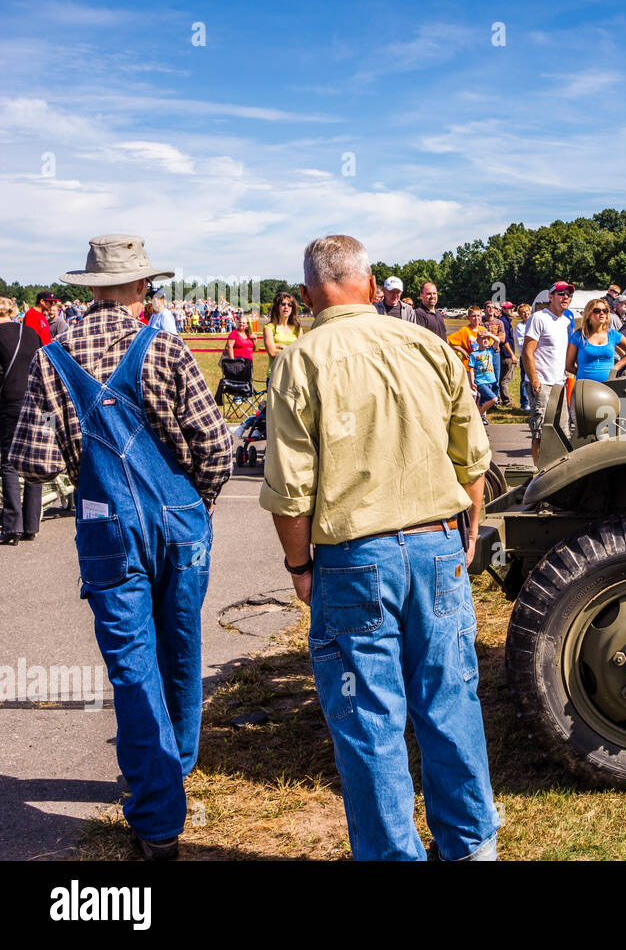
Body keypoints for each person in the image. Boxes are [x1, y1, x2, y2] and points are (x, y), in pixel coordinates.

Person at [261, 234, 497, 861]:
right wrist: (468, 531)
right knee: (451, 703)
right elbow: (473, 455)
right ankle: (473, 847)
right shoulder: (428, 345)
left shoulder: (300, 360)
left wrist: (299, 566)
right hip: (437, 543)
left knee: (369, 721)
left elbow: (290, 490)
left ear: (309, 297)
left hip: (354, 555)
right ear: (370, 286)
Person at [9, 234, 232, 859]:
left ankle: (158, 818)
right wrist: (199, 503)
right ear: (140, 289)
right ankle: (171, 772)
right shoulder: (165, 346)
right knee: (182, 649)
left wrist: (87, 460)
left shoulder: (52, 358)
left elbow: (33, 460)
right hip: (180, 522)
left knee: (133, 666)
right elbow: (214, 443)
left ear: (90, 288)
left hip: (107, 526)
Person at [0, 297, 43, 545]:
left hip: (10, 401)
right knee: (32, 462)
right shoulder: (29, 332)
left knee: (9, 462)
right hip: (35, 400)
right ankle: (31, 524)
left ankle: (12, 524)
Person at [522, 283, 576, 463]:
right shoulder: (539, 317)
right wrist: (535, 383)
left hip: (559, 384)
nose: (566, 297)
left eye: (569, 294)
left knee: (562, 432)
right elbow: (527, 352)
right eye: (561, 293)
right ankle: (538, 474)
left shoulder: (566, 322)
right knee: (540, 433)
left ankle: (557, 473)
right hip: (542, 383)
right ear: (551, 297)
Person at [567, 298, 626, 382]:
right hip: (585, 386)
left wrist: (616, 368)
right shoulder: (579, 336)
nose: (602, 313)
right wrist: (582, 374)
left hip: (609, 385)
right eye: (597, 310)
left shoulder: (613, 334)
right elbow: (568, 365)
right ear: (588, 314)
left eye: (605, 310)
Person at [263, 290, 303, 362]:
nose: (286, 307)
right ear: (277, 307)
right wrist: (291, 349)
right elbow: (272, 352)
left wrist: (279, 346)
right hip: (275, 371)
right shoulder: (269, 328)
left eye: (289, 305)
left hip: (293, 371)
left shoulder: (298, 329)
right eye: (283, 304)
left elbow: (301, 352)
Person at [469, 331, 498, 421]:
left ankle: (481, 420)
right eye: (483, 339)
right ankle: (478, 416)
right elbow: (471, 369)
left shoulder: (490, 351)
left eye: (487, 339)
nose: (485, 340)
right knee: (493, 399)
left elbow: (497, 340)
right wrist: (472, 382)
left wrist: (488, 334)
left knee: (482, 402)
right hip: (480, 382)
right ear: (477, 340)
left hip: (491, 381)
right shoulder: (474, 354)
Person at [513, 304, 532, 411]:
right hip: (524, 356)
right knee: (525, 379)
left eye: (527, 311)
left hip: (535, 356)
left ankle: (533, 401)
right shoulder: (520, 327)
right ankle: (524, 404)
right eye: (523, 312)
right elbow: (522, 342)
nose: (526, 314)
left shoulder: (534, 324)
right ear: (520, 315)